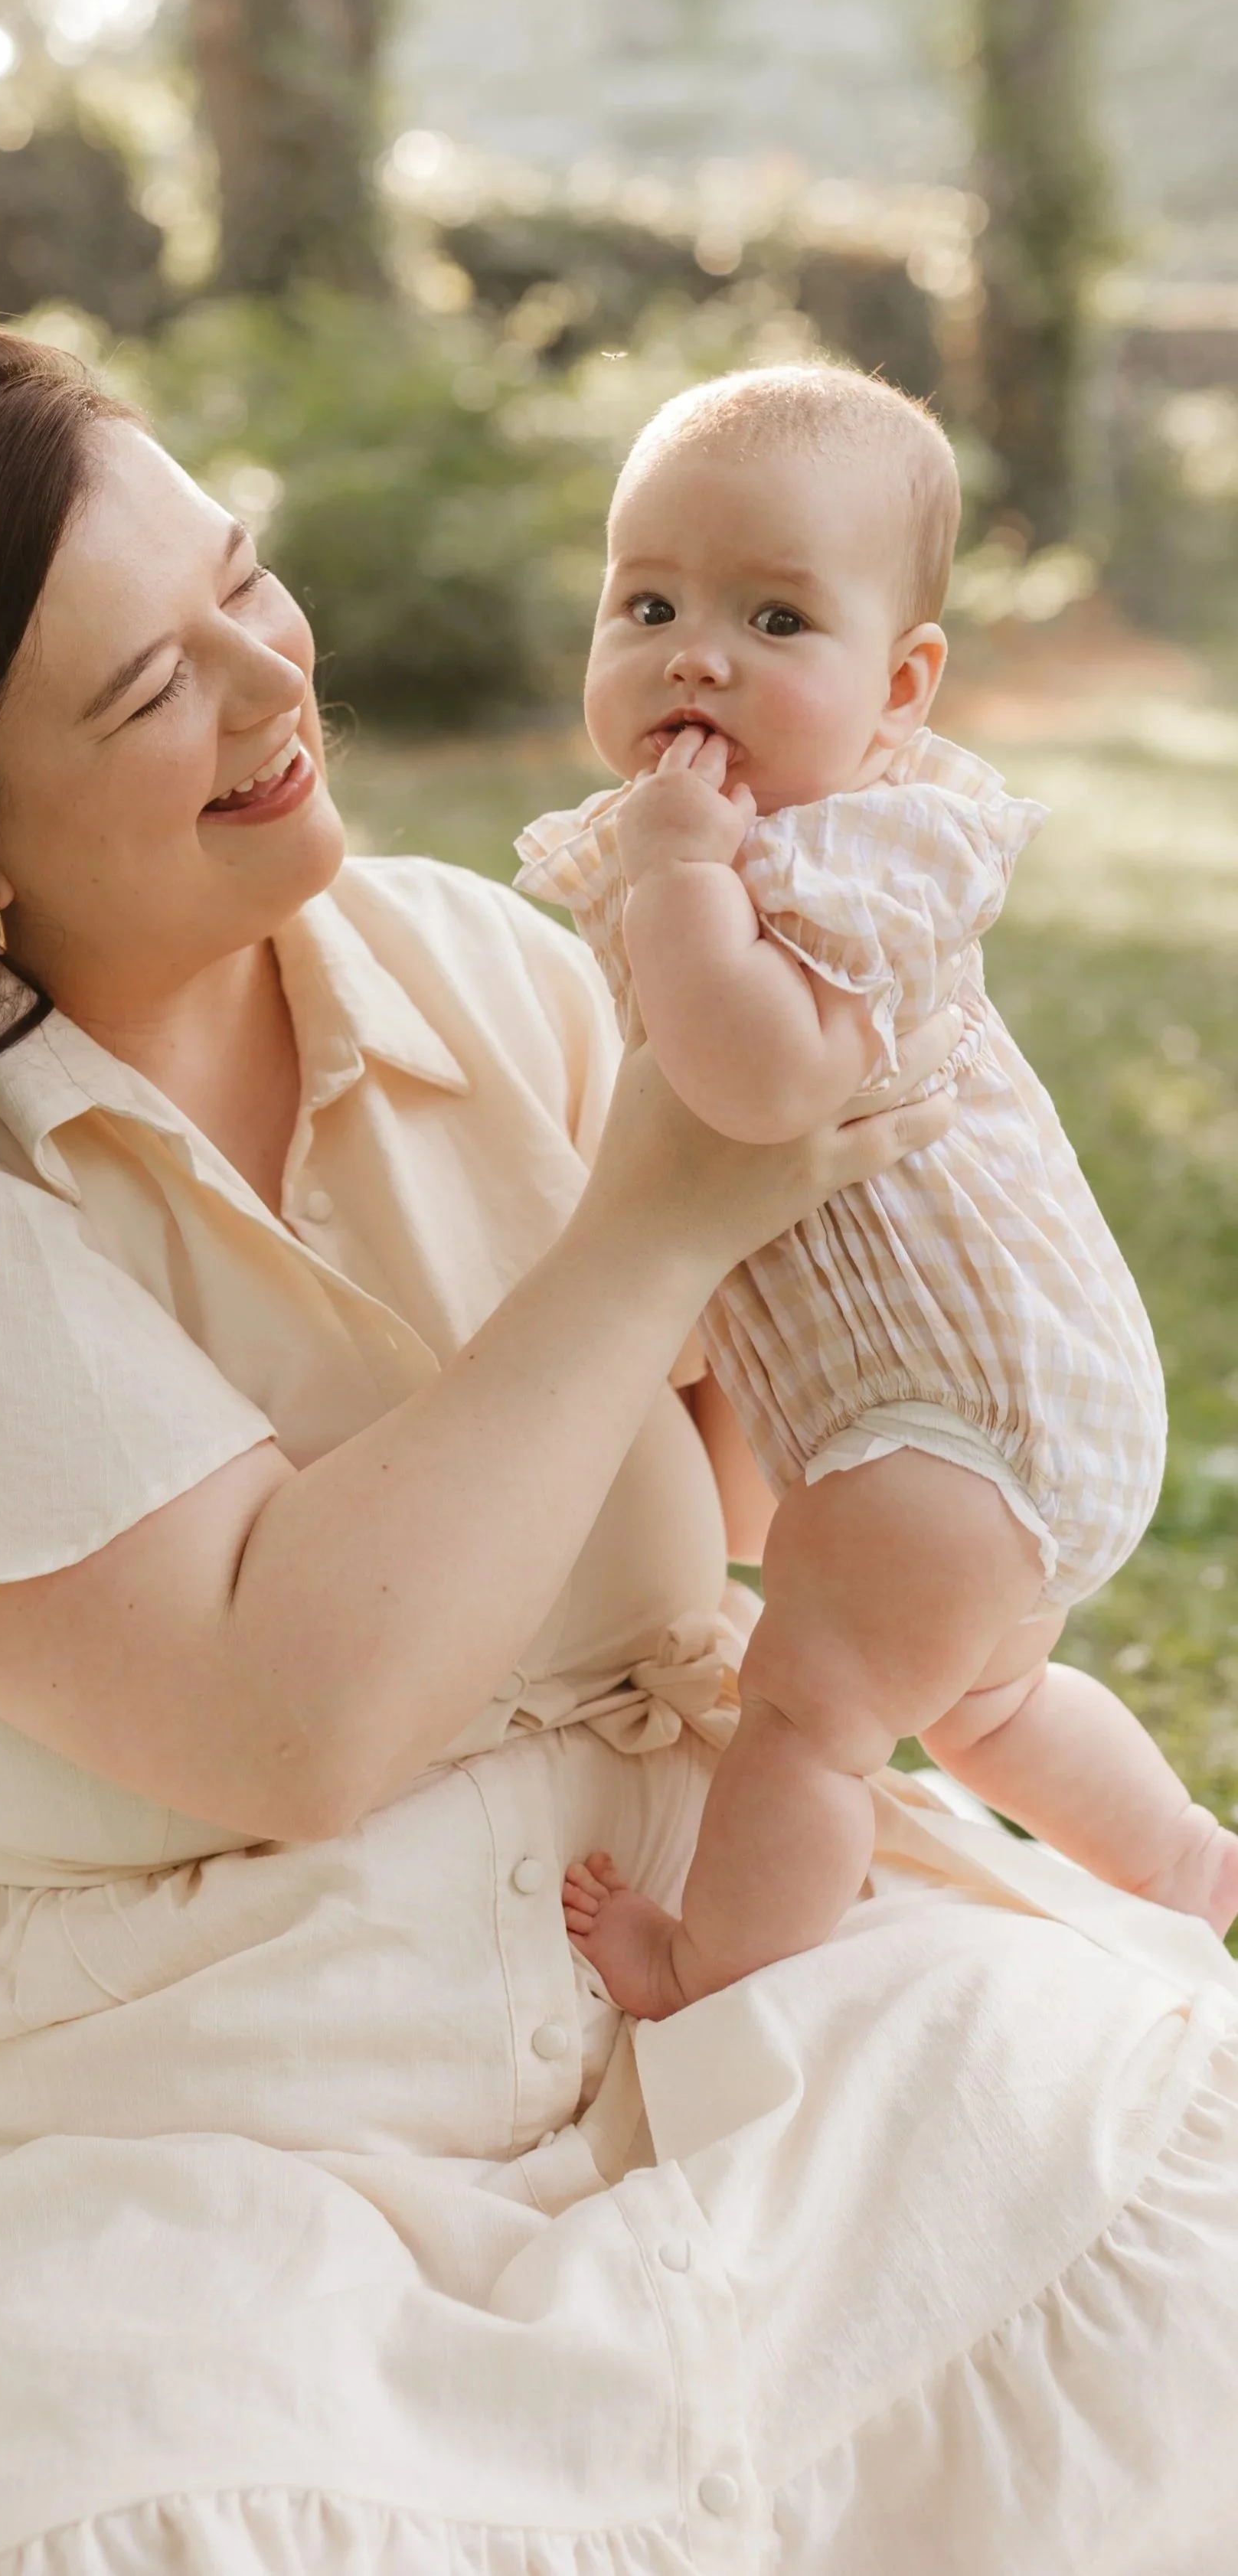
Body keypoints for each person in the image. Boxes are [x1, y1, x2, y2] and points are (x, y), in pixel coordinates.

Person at [0, 324, 1238, 2576]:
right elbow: (294, 1714)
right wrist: (645, 1229)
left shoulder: (478, 962)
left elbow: (709, 1510)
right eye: (153, 689)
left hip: (674, 1980)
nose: (269, 692)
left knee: (1147, 2198)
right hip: (195, 2112)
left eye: (243, 584)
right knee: (203, 2480)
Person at [515, 364, 1238, 2023]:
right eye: (648, 603)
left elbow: (759, 1085)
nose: (695, 653)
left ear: (898, 685)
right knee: (985, 1697)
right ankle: (1189, 1868)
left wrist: (681, 872)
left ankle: (708, 1960)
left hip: (943, 1420)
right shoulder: (753, 834)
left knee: (808, 1715)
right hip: (979, 1423)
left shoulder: (851, 851)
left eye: (775, 619)